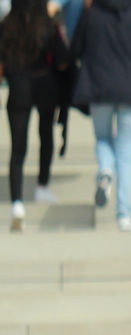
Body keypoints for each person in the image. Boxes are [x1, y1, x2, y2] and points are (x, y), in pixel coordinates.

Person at [70, 0, 131, 231]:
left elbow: (75, 48)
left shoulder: (91, 15)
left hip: (98, 88)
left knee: (103, 138)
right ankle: (124, 213)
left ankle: (106, 169)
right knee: (126, 154)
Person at [0, 0, 69, 231]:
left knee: (17, 149)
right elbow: (62, 60)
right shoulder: (47, 26)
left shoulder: (6, 26)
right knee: (45, 137)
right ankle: (42, 185)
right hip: (44, 85)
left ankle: (17, 202)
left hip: (18, 88)